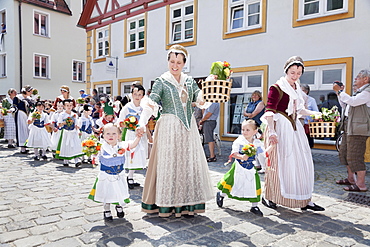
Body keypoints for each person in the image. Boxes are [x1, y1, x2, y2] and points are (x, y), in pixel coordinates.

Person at [136, 44, 213, 217]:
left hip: (188, 128)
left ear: (184, 63)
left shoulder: (190, 81)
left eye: (179, 62)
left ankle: (187, 204)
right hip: (169, 127)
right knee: (168, 164)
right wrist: (142, 122)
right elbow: (151, 104)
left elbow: (200, 100)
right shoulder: (162, 81)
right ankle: (167, 204)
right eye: (172, 61)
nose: (175, 65)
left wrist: (209, 84)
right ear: (168, 62)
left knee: (188, 164)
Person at [261, 56, 324, 211]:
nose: (295, 76)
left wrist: (314, 114)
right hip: (279, 128)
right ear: (286, 71)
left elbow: (299, 110)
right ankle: (270, 197)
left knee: (301, 163)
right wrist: (272, 132)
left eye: (298, 73)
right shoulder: (276, 88)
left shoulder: (297, 88)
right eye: (292, 72)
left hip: (295, 128)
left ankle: (304, 200)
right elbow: (269, 111)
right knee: (278, 164)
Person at [88, 123, 141, 221]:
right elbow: (94, 157)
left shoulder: (122, 145)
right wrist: (92, 152)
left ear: (119, 135)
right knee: (106, 194)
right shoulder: (100, 147)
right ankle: (106, 210)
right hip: (106, 176)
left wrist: (138, 137)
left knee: (119, 192)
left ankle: (119, 206)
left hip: (119, 175)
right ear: (103, 135)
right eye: (108, 133)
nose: (111, 136)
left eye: (114, 133)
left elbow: (133, 145)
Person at [216, 119, 265, 216]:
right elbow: (233, 153)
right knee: (232, 182)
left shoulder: (257, 143)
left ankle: (254, 206)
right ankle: (221, 194)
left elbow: (262, 153)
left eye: (247, 130)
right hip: (239, 166)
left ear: (255, 131)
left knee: (254, 184)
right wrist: (241, 156)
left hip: (251, 168)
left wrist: (271, 148)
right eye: (243, 129)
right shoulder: (239, 141)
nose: (244, 132)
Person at [334, 69, 370, 192]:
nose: (355, 79)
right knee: (345, 154)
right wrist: (340, 94)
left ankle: (361, 185)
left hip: (358, 130)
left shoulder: (367, 92)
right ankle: (351, 179)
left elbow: (352, 102)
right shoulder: (359, 93)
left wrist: (340, 91)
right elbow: (345, 105)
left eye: (358, 77)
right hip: (349, 128)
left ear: (366, 79)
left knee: (356, 156)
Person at [117, 84, 148, 189]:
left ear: (143, 96)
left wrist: (148, 135)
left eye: (139, 94)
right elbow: (120, 122)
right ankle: (126, 177)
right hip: (129, 134)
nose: (137, 96)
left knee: (137, 156)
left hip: (140, 135)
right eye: (135, 94)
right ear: (131, 95)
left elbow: (146, 122)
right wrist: (128, 124)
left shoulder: (144, 108)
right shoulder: (127, 107)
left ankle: (130, 176)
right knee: (130, 155)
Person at [55, 99, 84, 167]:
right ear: (64, 106)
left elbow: (76, 124)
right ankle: (66, 161)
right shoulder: (62, 114)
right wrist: (63, 123)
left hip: (73, 132)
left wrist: (78, 129)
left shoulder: (74, 114)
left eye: (70, 105)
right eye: (67, 105)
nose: (69, 107)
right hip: (66, 132)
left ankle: (77, 161)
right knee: (66, 145)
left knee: (75, 145)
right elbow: (59, 124)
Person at [13, 85, 34, 154]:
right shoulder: (18, 98)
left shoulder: (29, 98)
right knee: (21, 130)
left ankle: (26, 145)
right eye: (30, 91)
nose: (31, 93)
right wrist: (11, 110)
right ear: (26, 91)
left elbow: (32, 106)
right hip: (20, 115)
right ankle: (22, 148)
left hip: (27, 116)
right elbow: (14, 106)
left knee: (28, 130)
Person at [301, 84, 319, 148]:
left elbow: (316, 112)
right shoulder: (297, 99)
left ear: (306, 91)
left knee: (308, 145)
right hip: (299, 125)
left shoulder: (311, 100)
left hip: (307, 126)